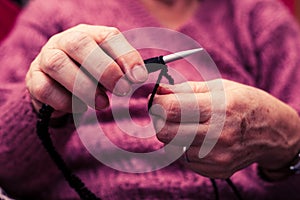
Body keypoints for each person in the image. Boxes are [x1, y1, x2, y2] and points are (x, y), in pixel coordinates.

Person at [0, 0, 300, 199]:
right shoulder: (53, 12)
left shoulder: (260, 17)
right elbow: (7, 168)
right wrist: (43, 106)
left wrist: (287, 137)